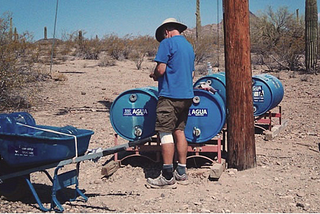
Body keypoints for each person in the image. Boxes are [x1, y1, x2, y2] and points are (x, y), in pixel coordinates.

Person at [146, 18, 195, 189]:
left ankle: (167, 176)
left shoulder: (167, 44)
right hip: (187, 95)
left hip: (170, 95)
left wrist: (154, 75)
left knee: (165, 133)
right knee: (179, 131)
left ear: (166, 31)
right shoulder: (189, 46)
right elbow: (191, 73)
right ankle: (181, 171)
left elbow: (161, 69)